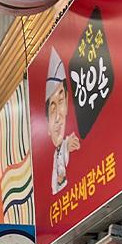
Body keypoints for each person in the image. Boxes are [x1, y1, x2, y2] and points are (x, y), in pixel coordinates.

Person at [45, 46, 80, 194]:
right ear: (46, 125)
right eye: (53, 109)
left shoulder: (74, 142)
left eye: (61, 101)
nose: (58, 117)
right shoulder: (50, 159)